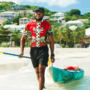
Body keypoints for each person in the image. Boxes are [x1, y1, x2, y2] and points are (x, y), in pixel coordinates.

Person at [19, 7, 55, 90]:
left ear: (43, 14)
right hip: (33, 50)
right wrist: (21, 51)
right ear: (34, 14)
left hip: (43, 49)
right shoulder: (29, 25)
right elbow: (23, 39)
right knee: (37, 72)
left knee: (41, 70)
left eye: (40, 13)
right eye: (36, 13)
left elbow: (51, 39)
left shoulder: (47, 24)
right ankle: (42, 86)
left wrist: (52, 54)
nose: (38, 14)